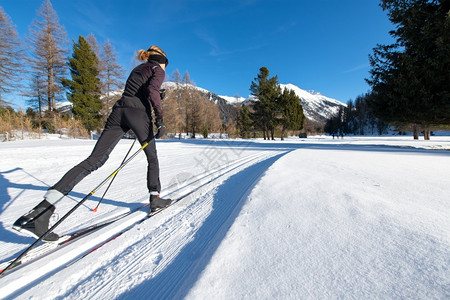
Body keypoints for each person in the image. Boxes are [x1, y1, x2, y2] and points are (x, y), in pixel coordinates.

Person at [13, 45, 172, 242]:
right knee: (152, 158)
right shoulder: (158, 69)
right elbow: (151, 90)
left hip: (119, 110)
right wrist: (160, 119)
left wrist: (153, 95)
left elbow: (141, 90)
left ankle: (41, 212)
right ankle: (155, 199)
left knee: (95, 160)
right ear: (162, 61)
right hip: (137, 113)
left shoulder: (138, 69)